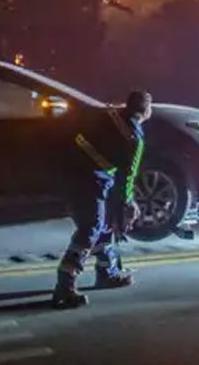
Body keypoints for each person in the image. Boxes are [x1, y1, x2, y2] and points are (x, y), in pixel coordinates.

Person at [52, 90, 152, 309]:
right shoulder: (134, 138)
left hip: (71, 170)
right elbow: (128, 176)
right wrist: (128, 204)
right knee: (92, 226)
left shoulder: (108, 114)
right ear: (146, 111)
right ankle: (65, 285)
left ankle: (108, 271)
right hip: (91, 178)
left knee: (104, 223)